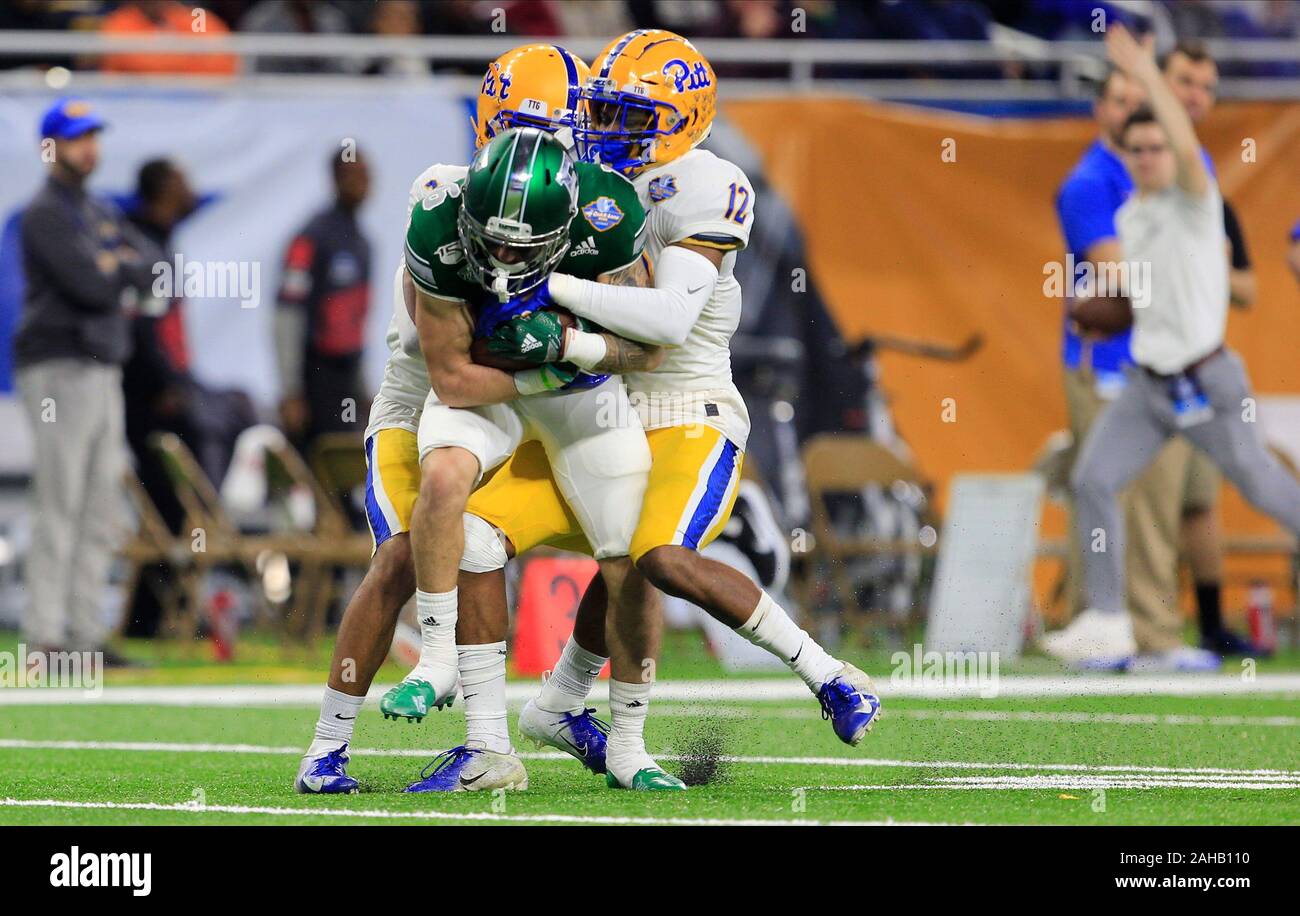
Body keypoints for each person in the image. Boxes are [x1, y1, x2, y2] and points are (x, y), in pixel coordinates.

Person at [454, 30, 881, 768]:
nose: (609, 132)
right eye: (604, 113)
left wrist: (548, 291)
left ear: (683, 121)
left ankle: (830, 675)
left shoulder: (706, 184)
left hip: (689, 411)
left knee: (657, 555)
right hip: (594, 407)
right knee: (477, 535)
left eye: (631, 118)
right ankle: (504, 735)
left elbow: (668, 320)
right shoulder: (583, 176)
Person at [295, 45, 665, 795]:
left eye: (569, 125)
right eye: (543, 125)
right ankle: (328, 747)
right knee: (405, 550)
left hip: (549, 394)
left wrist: (570, 347)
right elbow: (450, 374)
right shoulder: (442, 197)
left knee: (596, 546)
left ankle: (507, 740)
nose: (568, 138)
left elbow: (652, 338)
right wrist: (555, 357)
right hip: (436, 391)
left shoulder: (600, 205)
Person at [1045, 24, 1300, 666]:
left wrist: (1148, 73)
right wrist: (1106, 314)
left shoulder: (1194, 197)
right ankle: (1107, 618)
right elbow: (1137, 290)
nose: (1155, 156)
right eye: (1143, 149)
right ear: (1128, 157)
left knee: (1264, 487)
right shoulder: (1132, 214)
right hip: (1149, 382)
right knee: (1095, 479)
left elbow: (1187, 147)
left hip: (1209, 379)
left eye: (1162, 146)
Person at [1052, 65, 1198, 668]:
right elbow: (1122, 275)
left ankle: (1154, 631)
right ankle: (1099, 624)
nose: (1129, 111)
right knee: (1102, 490)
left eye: (1140, 100)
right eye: (1118, 101)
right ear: (1101, 110)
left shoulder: (1171, 176)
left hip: (1165, 361)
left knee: (1159, 500)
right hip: (1105, 361)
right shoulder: (1089, 181)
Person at [13, 99, 156, 664]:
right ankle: (44, 636)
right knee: (61, 498)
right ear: (50, 147)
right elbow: (93, 287)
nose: (89, 147)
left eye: (93, 135)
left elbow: (148, 264)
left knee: (99, 503)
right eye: (76, 138)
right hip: (60, 366)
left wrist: (113, 263)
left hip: (99, 366)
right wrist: (115, 266)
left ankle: (82, 633)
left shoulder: (95, 208)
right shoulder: (46, 212)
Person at [1160, 40, 1260, 655]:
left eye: (1205, 85)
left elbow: (1245, 280)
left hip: (1197, 362)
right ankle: (1140, 629)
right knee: (1142, 500)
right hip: (1141, 363)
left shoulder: (1202, 175)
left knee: (1198, 498)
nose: (1194, 94)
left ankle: (1212, 626)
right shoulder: (1139, 158)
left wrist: (1212, 270)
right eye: (1184, 80)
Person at [274, 148, 372, 456]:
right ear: (336, 180)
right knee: (317, 469)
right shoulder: (311, 237)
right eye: (353, 176)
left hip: (346, 376)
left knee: (347, 472)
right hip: (314, 376)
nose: (363, 184)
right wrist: (291, 391)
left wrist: (361, 388)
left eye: (366, 176)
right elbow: (288, 313)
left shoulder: (362, 242)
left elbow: (356, 321)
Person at [99, 0, 238, 76]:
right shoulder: (121, 20)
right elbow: (130, 60)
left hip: (197, 103)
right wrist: (185, 59)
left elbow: (219, 62)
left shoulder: (196, 17)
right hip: (134, 103)